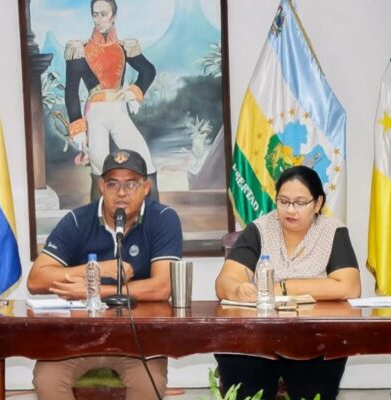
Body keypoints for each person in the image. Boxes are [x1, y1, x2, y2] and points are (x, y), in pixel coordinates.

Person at [27, 149, 182, 400]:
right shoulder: (77, 220)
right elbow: (36, 280)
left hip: (138, 339)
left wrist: (96, 290)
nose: (121, 193)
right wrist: (96, 270)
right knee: (47, 379)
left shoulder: (163, 218)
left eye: (131, 184)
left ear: (146, 188)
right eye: (113, 184)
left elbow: (162, 287)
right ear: (101, 186)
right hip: (78, 338)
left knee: (149, 382)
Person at [214, 165, 361, 400]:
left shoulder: (333, 231)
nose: (290, 210)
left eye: (300, 203)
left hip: (314, 338)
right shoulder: (260, 229)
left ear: (318, 203)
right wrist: (238, 288)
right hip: (259, 339)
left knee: (315, 382)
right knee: (236, 359)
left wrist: (283, 287)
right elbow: (224, 282)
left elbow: (349, 286)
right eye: (283, 201)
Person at [64, 0, 159, 201]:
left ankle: (154, 216)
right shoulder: (79, 50)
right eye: (95, 14)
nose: (99, 19)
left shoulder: (124, 48)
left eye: (103, 14)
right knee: (99, 170)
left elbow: (148, 70)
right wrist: (77, 127)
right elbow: (71, 91)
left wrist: (134, 91)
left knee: (145, 162)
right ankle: (96, 219)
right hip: (96, 115)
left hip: (119, 112)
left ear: (113, 16)